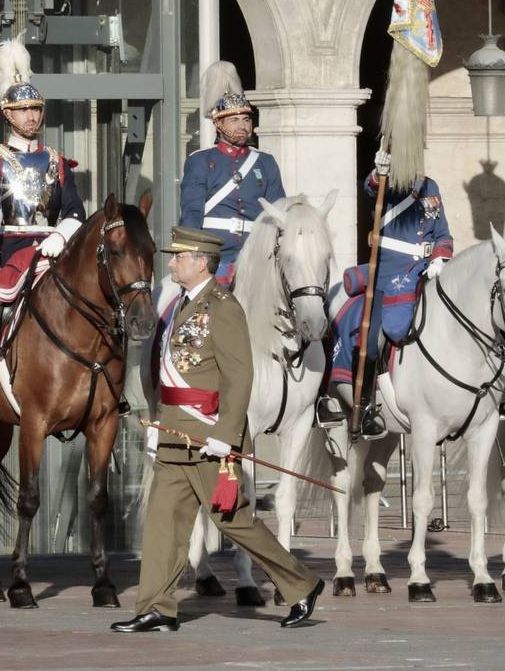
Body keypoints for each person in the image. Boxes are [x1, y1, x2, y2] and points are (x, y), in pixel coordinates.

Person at [111, 226, 323, 634]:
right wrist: (160, 424)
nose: (171, 261)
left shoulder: (223, 307)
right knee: (162, 523)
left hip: (208, 438)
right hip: (176, 434)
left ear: (201, 261)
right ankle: (156, 607)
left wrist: (226, 434)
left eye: (178, 256)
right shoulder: (181, 305)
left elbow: (239, 376)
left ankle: (302, 585)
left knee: (234, 519)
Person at [0, 38, 85, 426]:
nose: (32, 116)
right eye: (23, 109)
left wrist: (60, 237)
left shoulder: (58, 161)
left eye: (36, 108)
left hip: (55, 250)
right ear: (7, 113)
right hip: (12, 249)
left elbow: (75, 211)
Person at [324, 151, 453, 436]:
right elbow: (369, 188)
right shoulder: (386, 183)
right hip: (389, 274)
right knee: (372, 341)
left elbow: (442, 232)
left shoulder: (430, 186)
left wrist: (441, 258)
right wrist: (377, 172)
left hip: (426, 272)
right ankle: (367, 406)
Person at [179, 60, 285, 288]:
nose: (243, 126)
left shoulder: (265, 163)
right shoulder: (200, 161)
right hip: (214, 257)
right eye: (234, 120)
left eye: (246, 119)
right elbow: (192, 214)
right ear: (218, 124)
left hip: (258, 254)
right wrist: (193, 258)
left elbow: (279, 211)